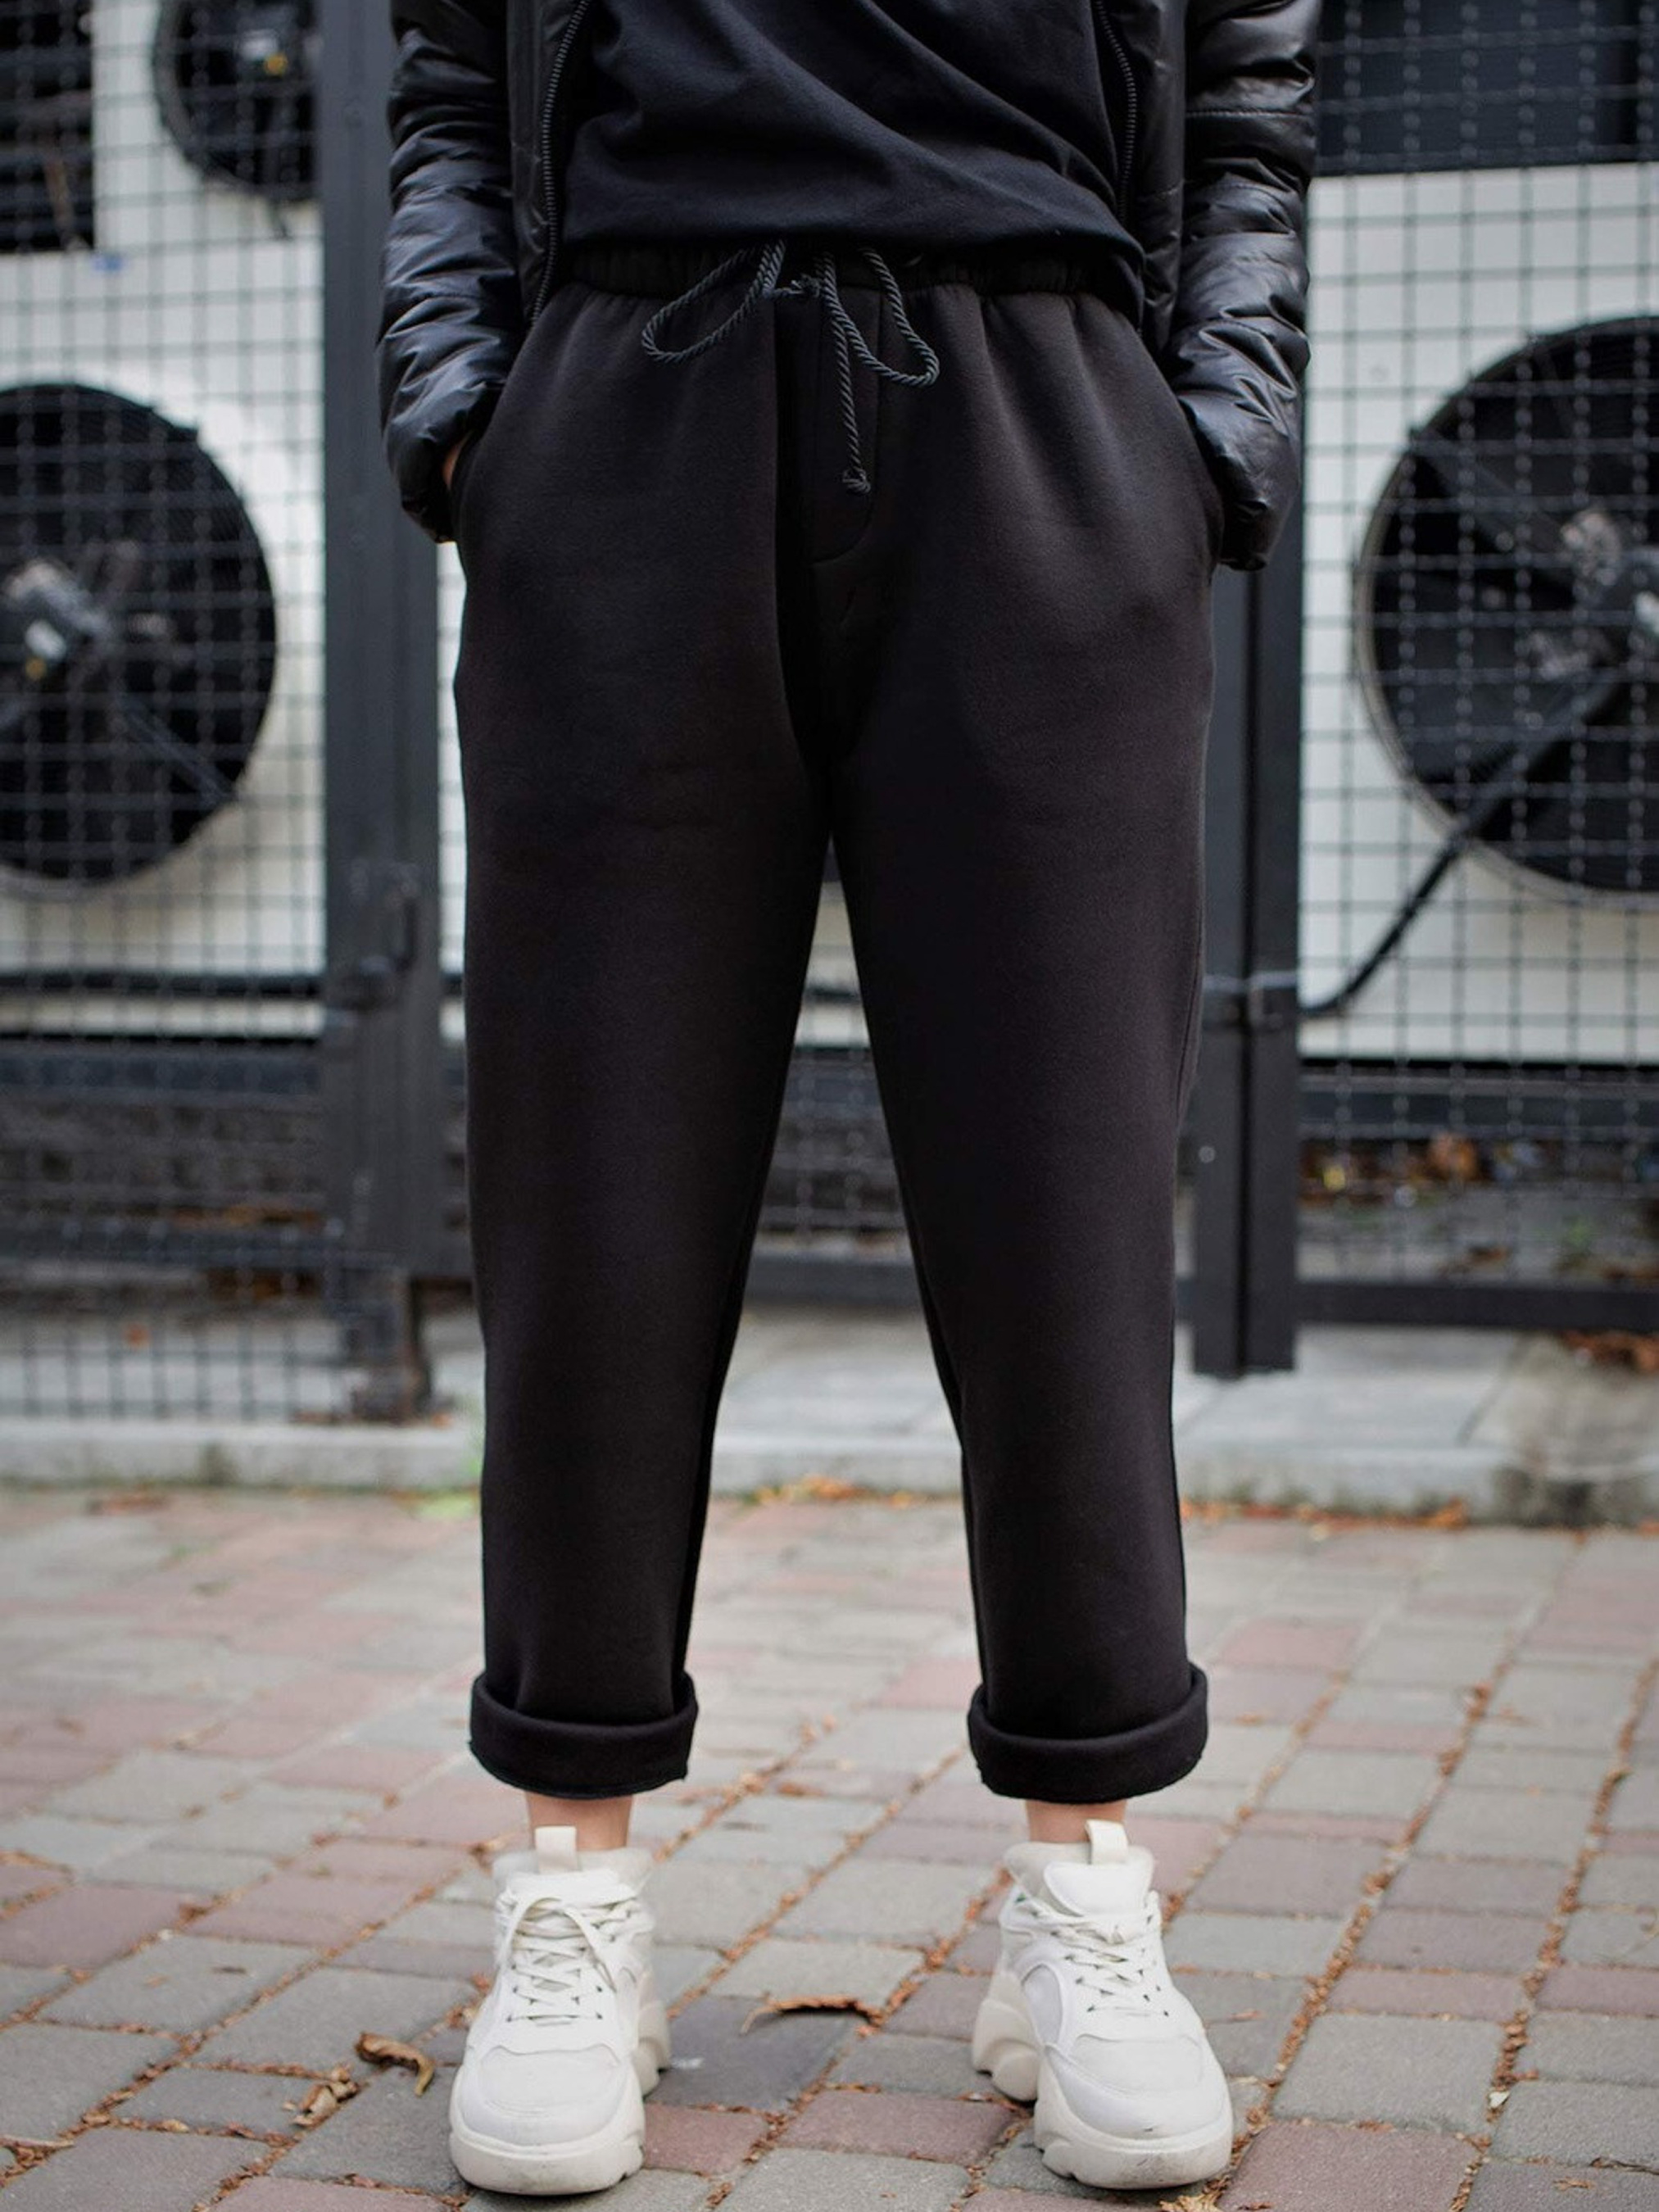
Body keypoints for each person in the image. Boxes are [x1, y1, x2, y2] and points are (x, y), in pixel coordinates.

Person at [378, 0, 1316, 2195]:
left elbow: (1247, 93)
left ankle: (1084, 1885)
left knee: (1063, 1195)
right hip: (623, 407)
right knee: (593, 1197)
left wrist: (1210, 435)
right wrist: (464, 417)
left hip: (1046, 406)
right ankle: (572, 1889)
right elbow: (447, 84)